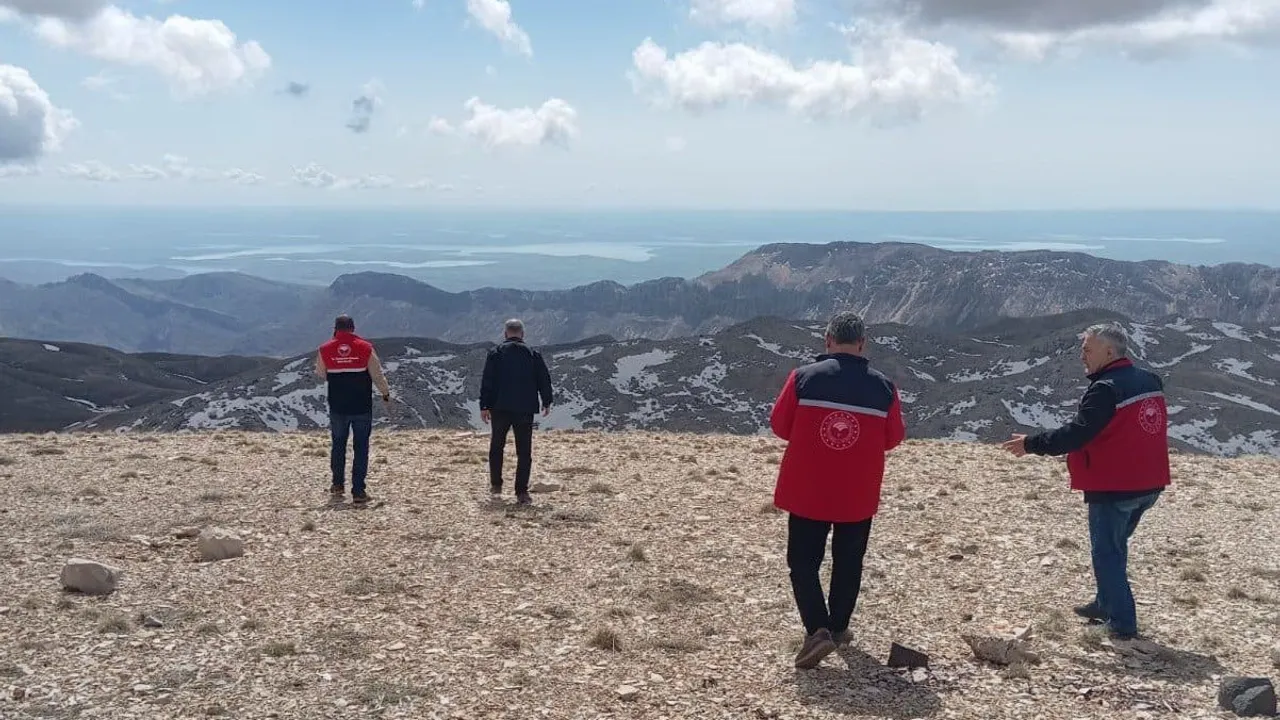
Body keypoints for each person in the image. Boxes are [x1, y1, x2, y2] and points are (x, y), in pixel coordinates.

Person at [1001, 321, 1170, 640]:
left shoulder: (1106, 389)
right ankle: (1104, 603)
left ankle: (1121, 623)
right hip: (1149, 482)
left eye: (1087, 350)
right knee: (1115, 548)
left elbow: (1077, 434)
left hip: (1115, 485)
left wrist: (1030, 444)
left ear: (1109, 351)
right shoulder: (1149, 380)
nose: (1082, 356)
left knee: (1107, 552)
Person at [769, 310, 906, 669]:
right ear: (862, 343)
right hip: (857, 492)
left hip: (808, 488)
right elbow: (894, 438)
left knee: (803, 562)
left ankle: (818, 630)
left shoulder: (802, 378)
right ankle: (840, 627)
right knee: (848, 562)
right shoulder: (884, 388)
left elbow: (780, 426)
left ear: (827, 340)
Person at [314, 314, 391, 504]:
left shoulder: (325, 349)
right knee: (361, 446)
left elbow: (321, 373)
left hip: (338, 406)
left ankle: (337, 484)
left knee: (338, 444)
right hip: (361, 406)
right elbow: (377, 374)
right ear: (353, 328)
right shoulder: (365, 348)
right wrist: (385, 393)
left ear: (335, 328)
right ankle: (358, 491)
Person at [479, 318, 553, 504]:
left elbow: (487, 381)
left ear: (505, 334)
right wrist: (546, 401)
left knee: (497, 446)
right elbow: (544, 378)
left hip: (500, 407)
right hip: (524, 408)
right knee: (524, 451)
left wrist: (485, 406)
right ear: (522, 334)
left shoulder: (495, 353)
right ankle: (521, 492)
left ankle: (496, 485)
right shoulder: (533, 354)